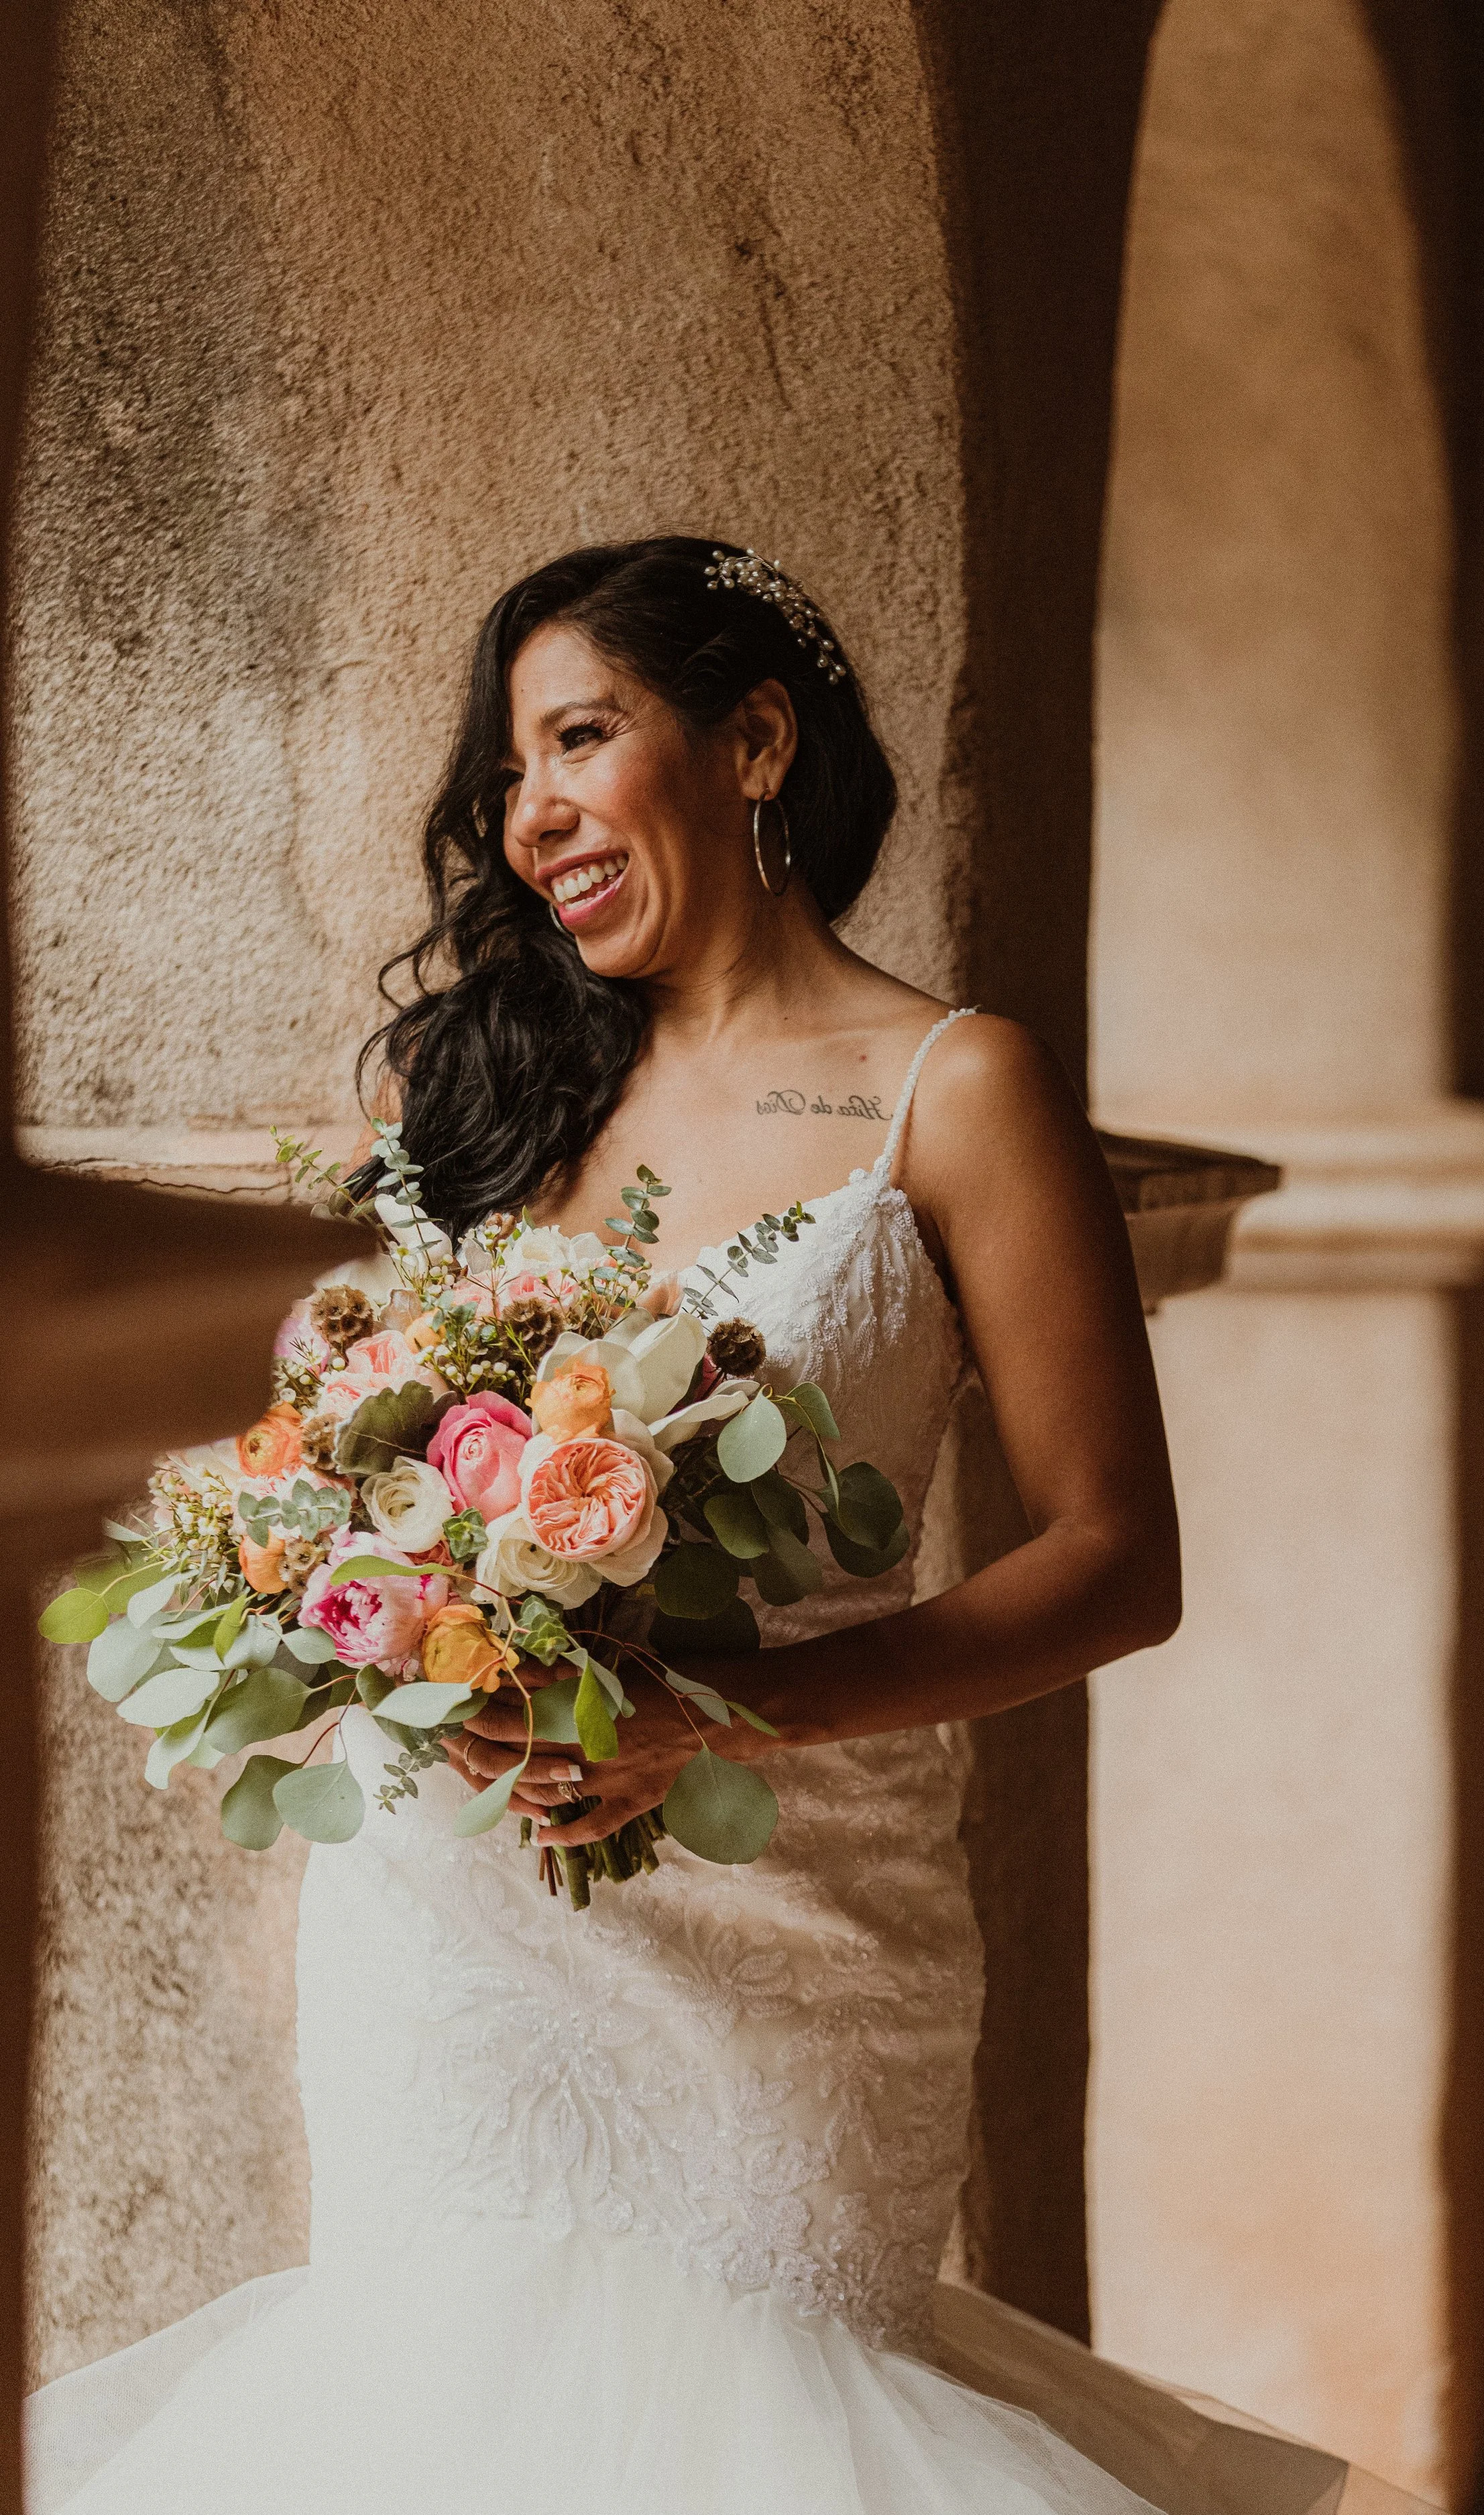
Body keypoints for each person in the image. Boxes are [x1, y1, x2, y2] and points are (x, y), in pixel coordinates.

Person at [25, 538, 1413, 2515]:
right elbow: (340, 1419)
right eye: (509, 771)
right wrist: (334, 1607)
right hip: (453, 1929)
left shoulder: (958, 1087)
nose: (531, 817)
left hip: (799, 1927)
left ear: (753, 740)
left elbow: (1116, 1556)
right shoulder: (474, 1090)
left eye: (582, 736)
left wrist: (723, 1714)